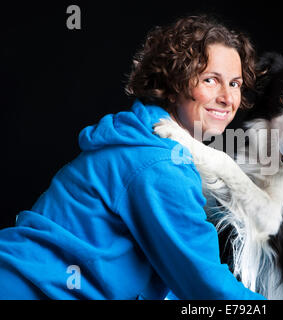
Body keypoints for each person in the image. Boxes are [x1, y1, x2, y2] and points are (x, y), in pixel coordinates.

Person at [0, 15, 265, 300]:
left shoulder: (142, 135)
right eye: (211, 80)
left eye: (235, 84)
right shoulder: (160, 165)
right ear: (173, 85)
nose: (228, 98)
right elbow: (208, 289)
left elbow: (169, 281)